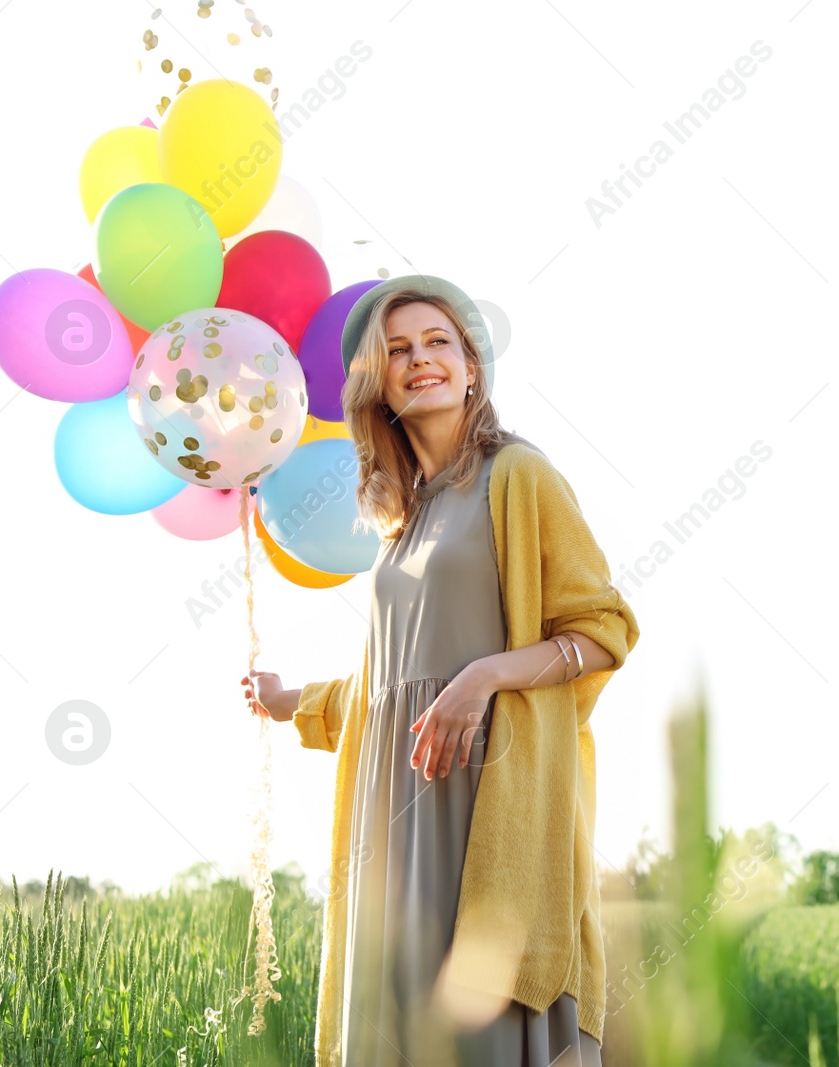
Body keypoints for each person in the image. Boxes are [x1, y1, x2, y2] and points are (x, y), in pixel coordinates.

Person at [240, 276, 639, 1066]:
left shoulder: (517, 475)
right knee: (401, 1023)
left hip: (483, 793)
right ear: (376, 383)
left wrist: (484, 676)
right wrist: (295, 702)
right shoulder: (402, 517)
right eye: (397, 350)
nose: (418, 359)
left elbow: (604, 628)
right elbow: (389, 682)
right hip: (393, 805)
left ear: (471, 368)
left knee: (481, 1020)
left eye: (437, 342)